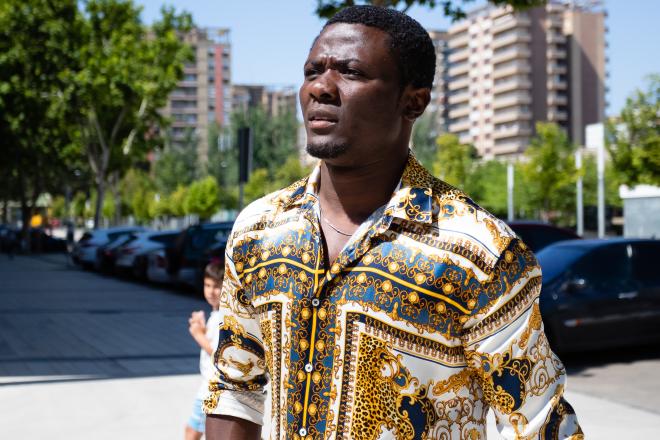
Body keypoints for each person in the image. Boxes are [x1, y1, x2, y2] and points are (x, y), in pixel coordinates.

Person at [204, 6, 582, 439]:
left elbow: (539, 423)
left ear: (413, 101)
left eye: (350, 72)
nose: (321, 87)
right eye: (313, 71)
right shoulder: (260, 230)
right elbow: (235, 386)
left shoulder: (477, 250)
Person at [185, 261, 224, 440]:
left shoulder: (223, 316)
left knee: (191, 434)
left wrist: (198, 335)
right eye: (207, 285)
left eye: (216, 286)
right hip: (210, 387)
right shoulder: (215, 314)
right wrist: (203, 330)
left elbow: (220, 355)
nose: (211, 291)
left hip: (211, 389)